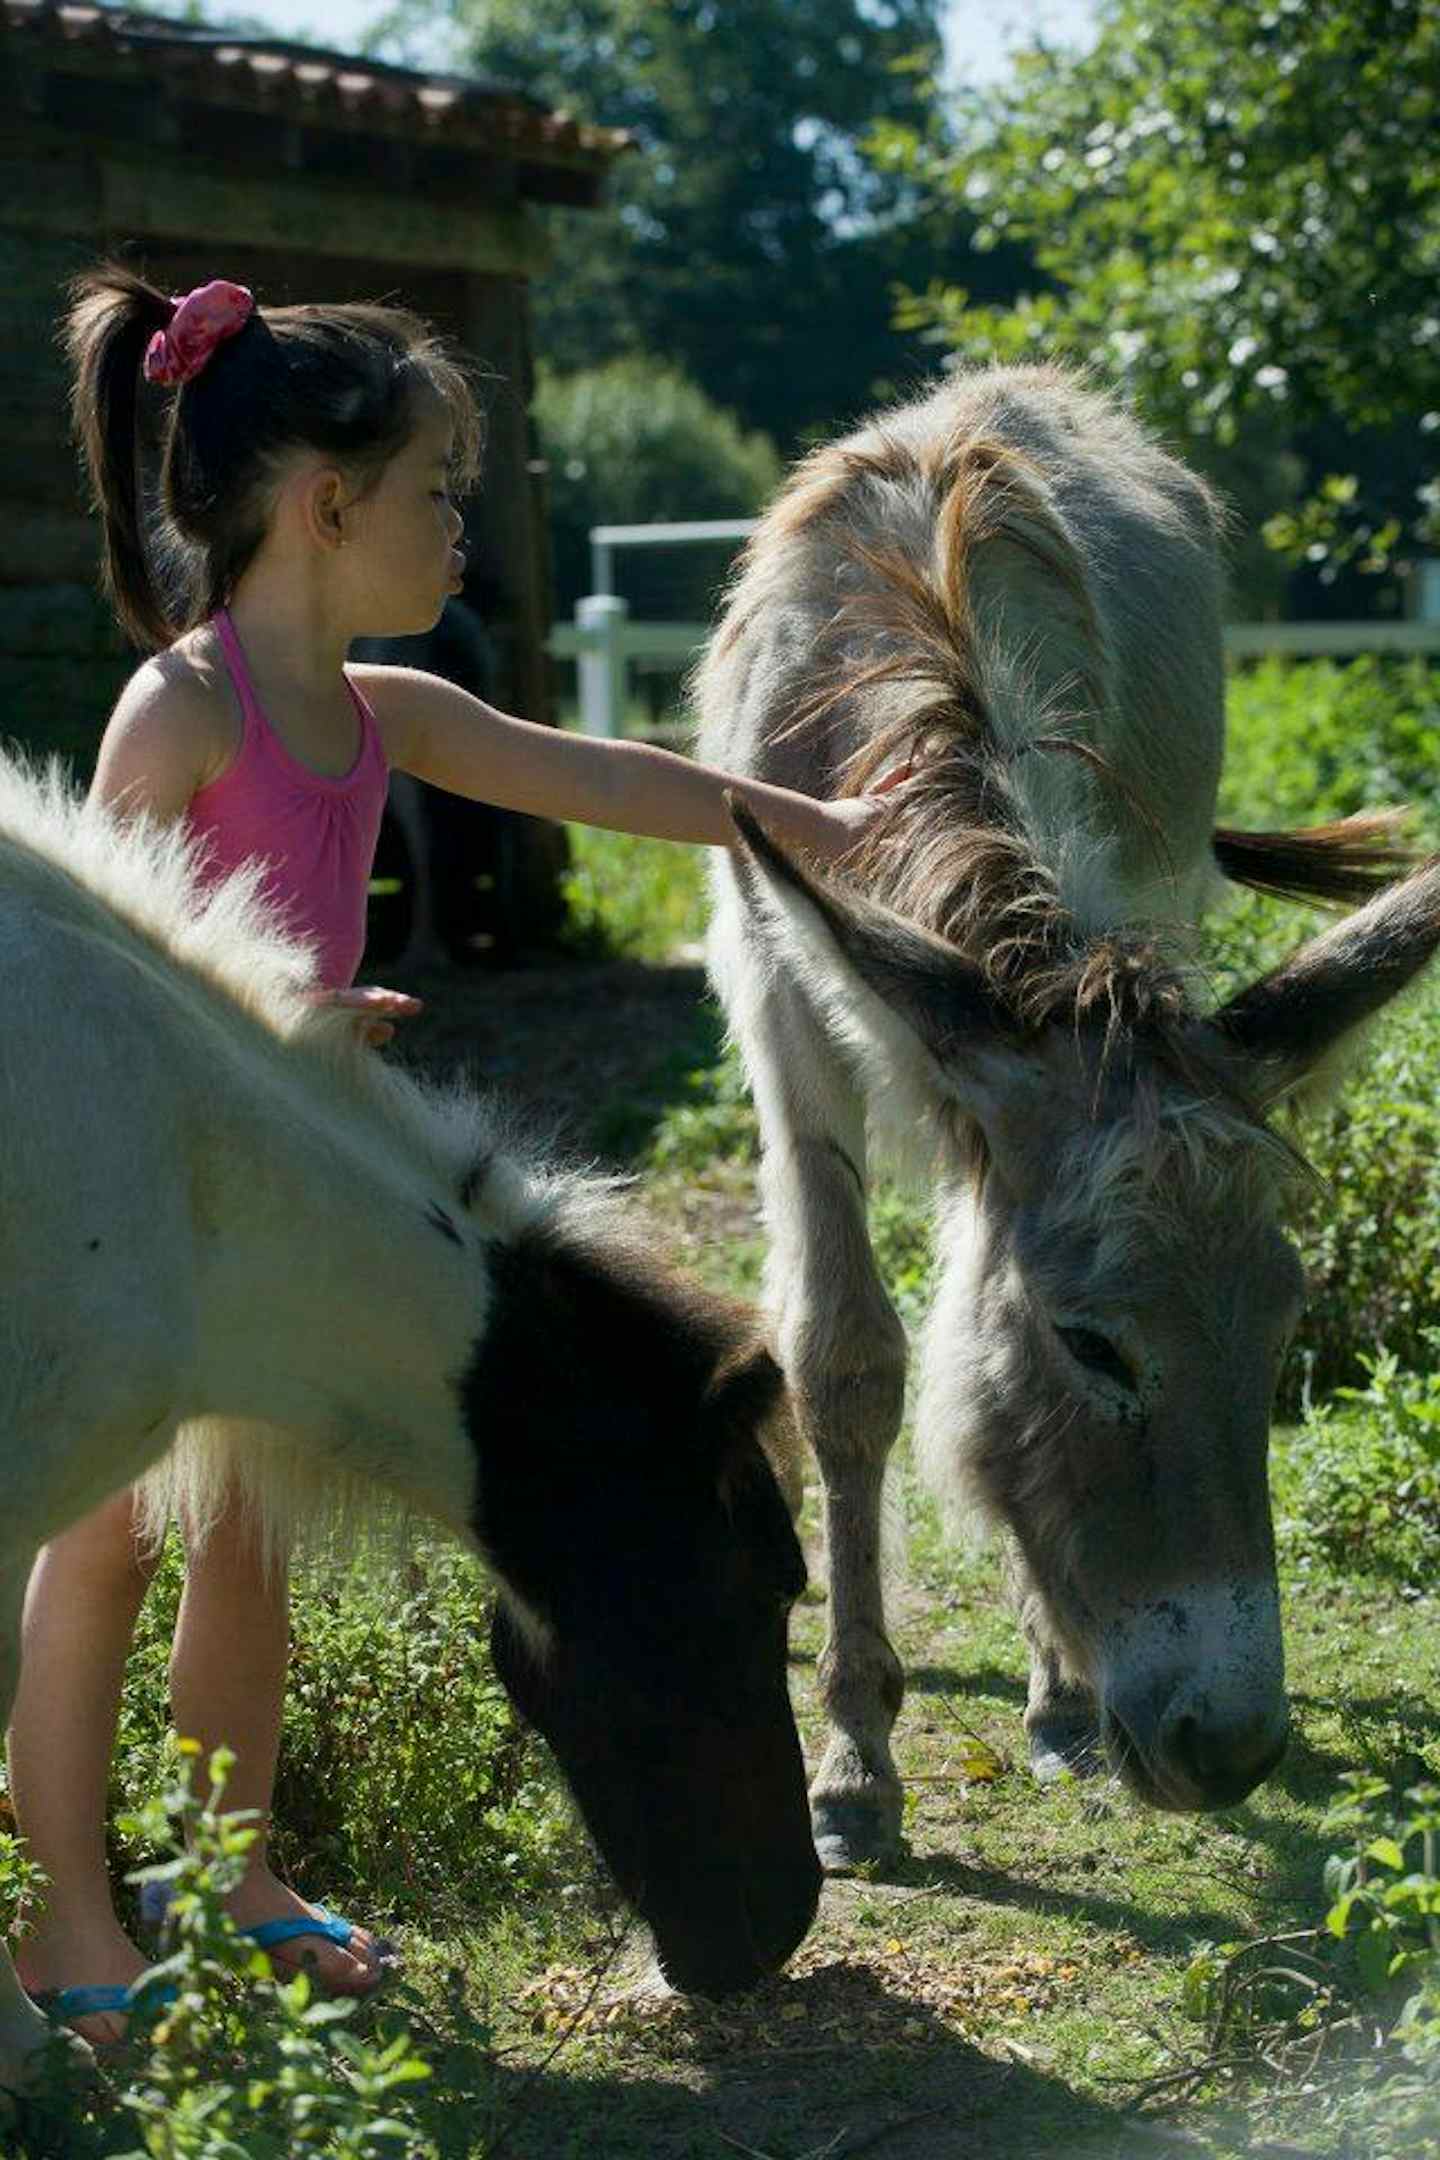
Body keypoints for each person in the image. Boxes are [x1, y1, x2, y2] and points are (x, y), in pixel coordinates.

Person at [9, 266, 878, 2045]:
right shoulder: (182, 716)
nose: (464, 529)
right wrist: (296, 1035)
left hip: (285, 1224)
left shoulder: (383, 711)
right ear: (327, 505)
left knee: (249, 1541)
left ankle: (225, 1871)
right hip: (144, 1224)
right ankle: (66, 1918)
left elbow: (614, 779)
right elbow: (97, 998)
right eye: (442, 493)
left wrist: (829, 823)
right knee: (95, 1544)